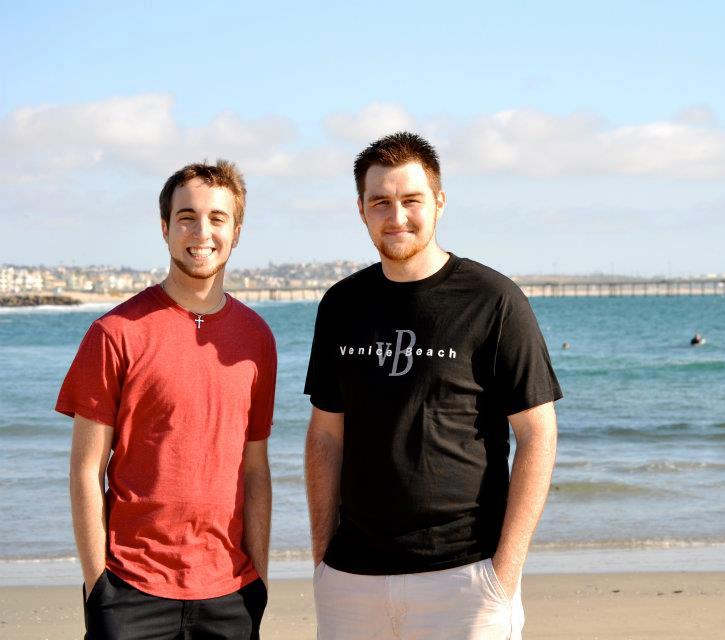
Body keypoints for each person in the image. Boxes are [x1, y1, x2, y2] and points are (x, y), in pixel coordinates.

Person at [304, 132, 562, 639]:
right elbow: (325, 436)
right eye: (380, 202)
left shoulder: (494, 300)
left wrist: (504, 575)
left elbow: (538, 435)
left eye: (411, 200)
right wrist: (323, 564)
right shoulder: (341, 305)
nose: (396, 216)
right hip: (351, 580)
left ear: (439, 202)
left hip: (465, 577)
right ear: (361, 210)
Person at [56, 160, 276, 639]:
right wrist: (98, 587)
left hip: (231, 592)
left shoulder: (257, 338)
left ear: (236, 232)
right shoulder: (114, 333)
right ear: (165, 227)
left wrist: (259, 577)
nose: (202, 232)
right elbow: (86, 470)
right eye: (187, 217)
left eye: (217, 218)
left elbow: (255, 468)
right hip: (130, 590)